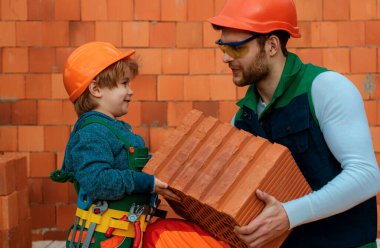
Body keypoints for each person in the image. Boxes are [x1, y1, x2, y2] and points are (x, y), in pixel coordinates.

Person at [207, 0, 380, 247]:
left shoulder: (325, 88)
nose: (225, 58)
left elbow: (366, 175)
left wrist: (289, 215)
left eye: (236, 49)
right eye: (223, 47)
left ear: (271, 45)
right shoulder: (241, 119)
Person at [50, 41, 178, 248]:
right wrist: (144, 182)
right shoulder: (91, 133)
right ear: (96, 89)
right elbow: (97, 181)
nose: (131, 91)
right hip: (103, 241)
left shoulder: (112, 129)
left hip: (124, 238)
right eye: (124, 83)